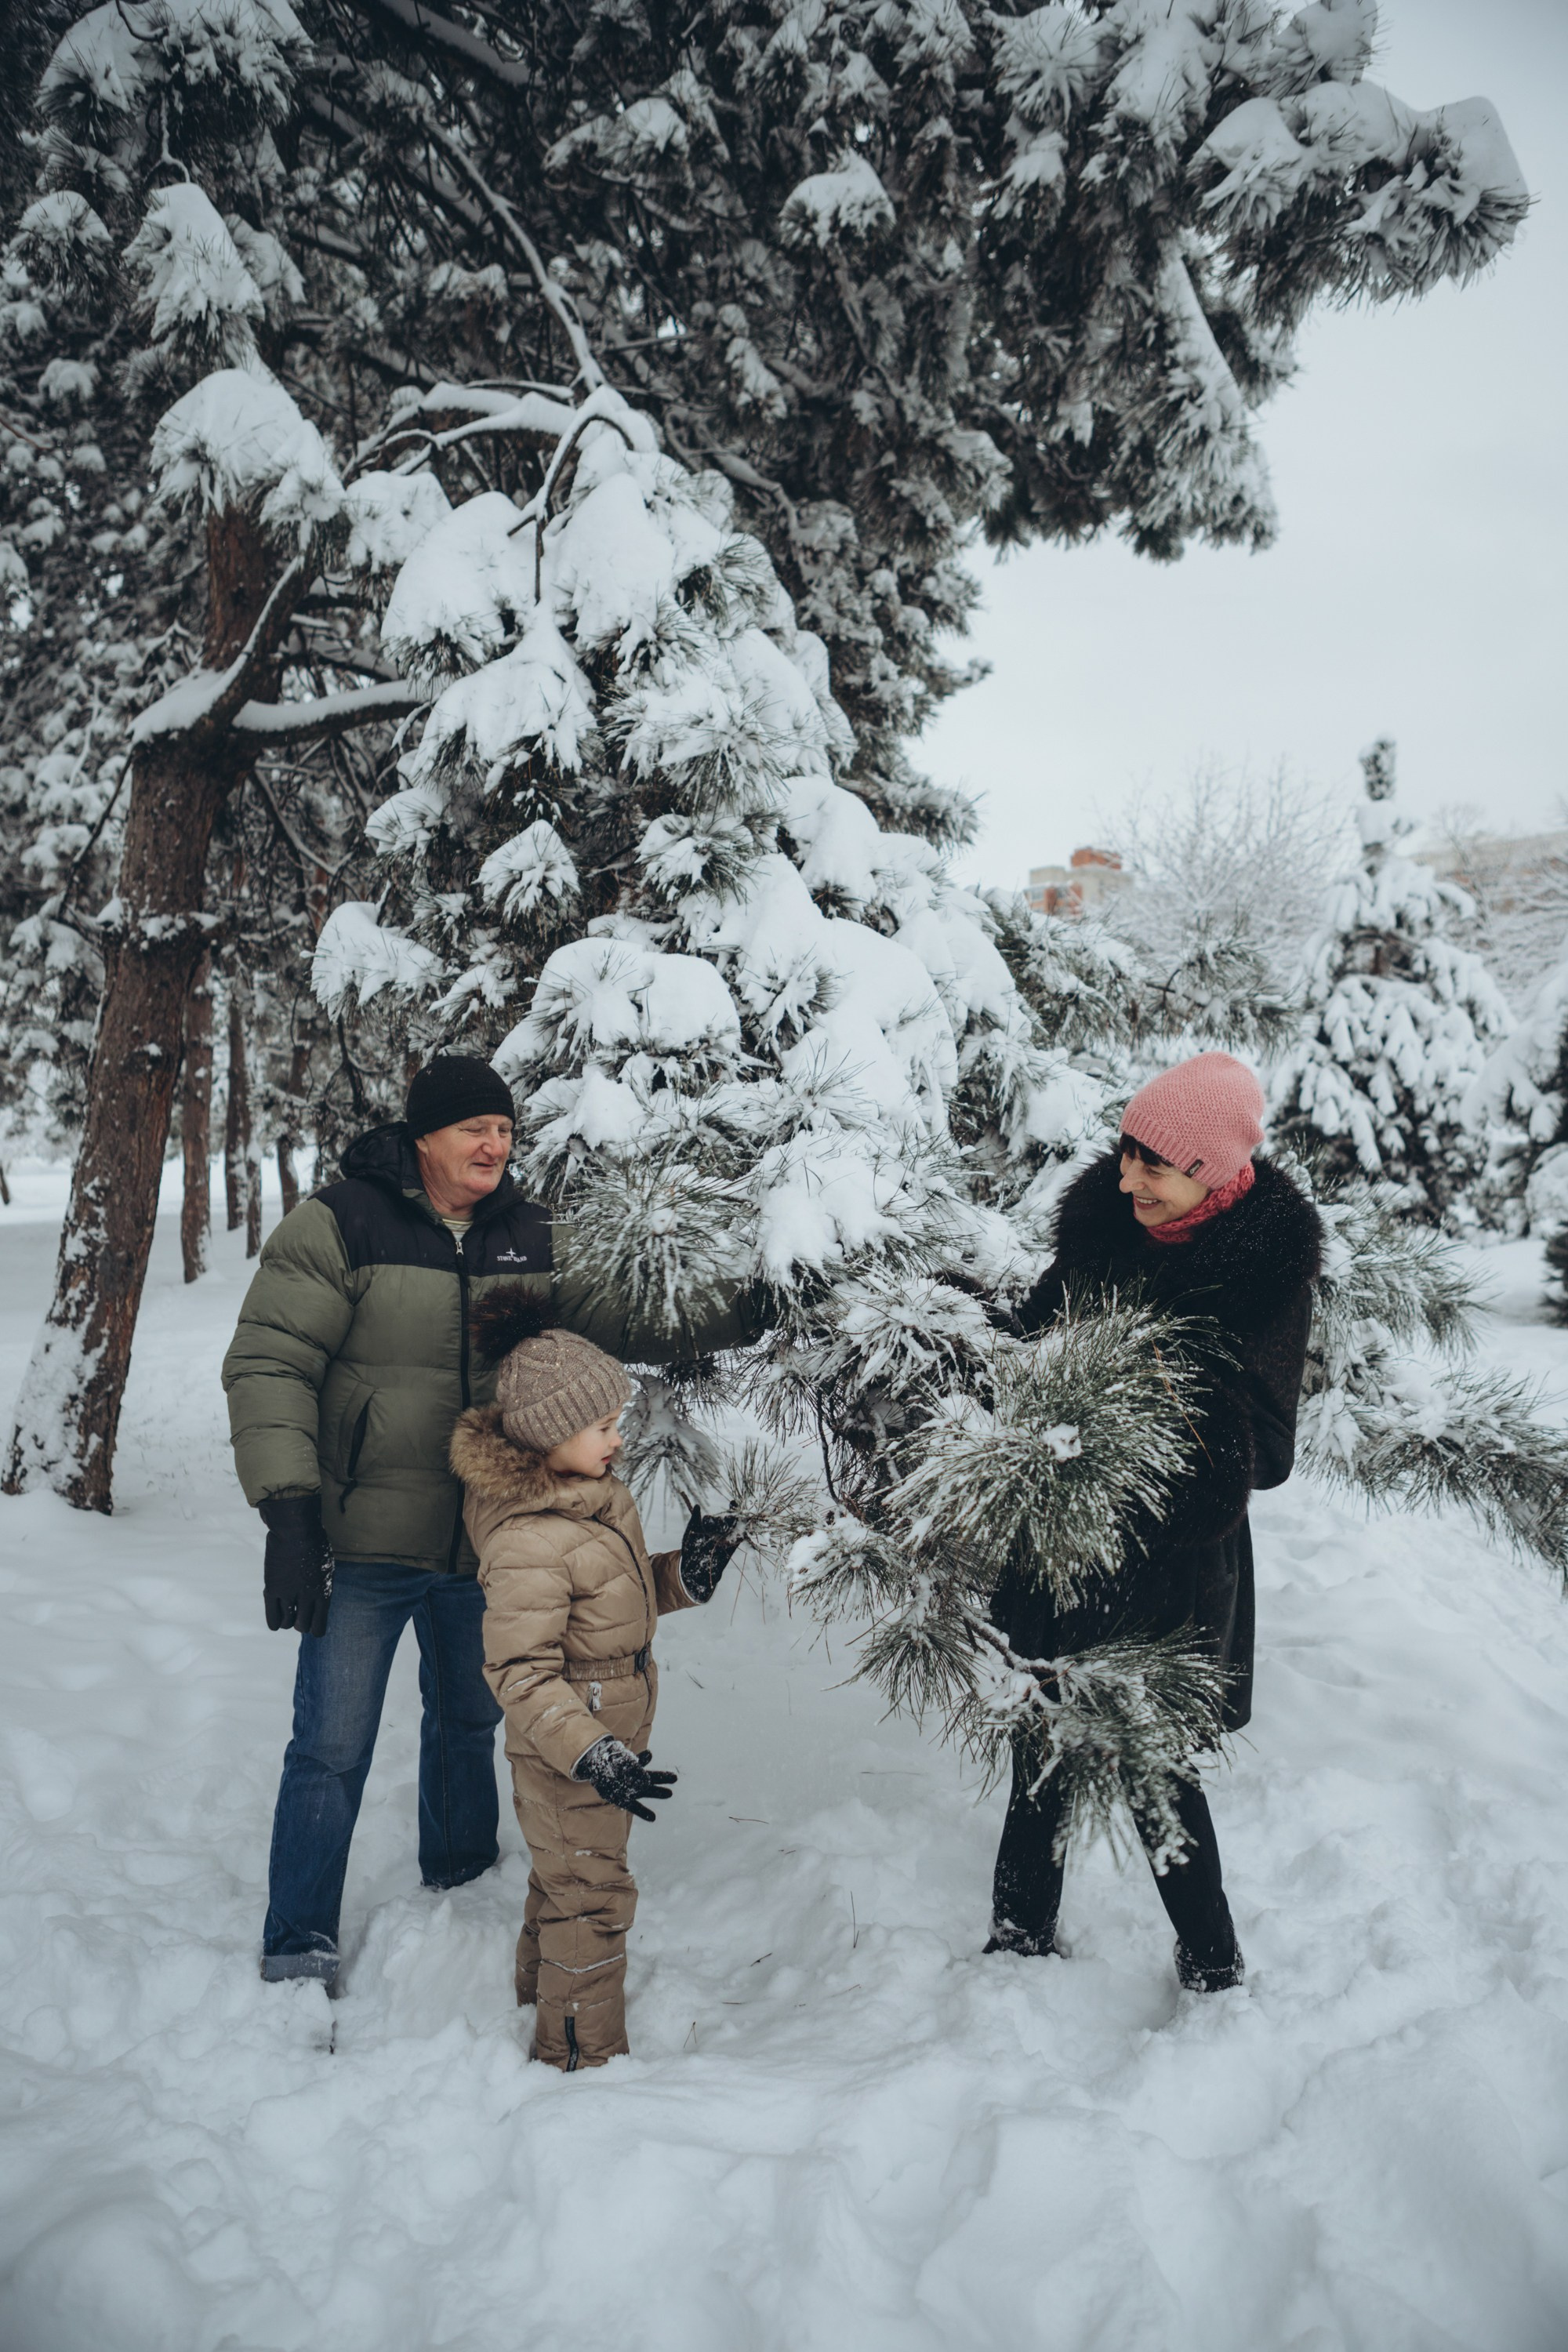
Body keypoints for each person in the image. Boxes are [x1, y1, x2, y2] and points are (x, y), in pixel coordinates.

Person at [222, 1054, 760, 1988]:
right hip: (361, 1539)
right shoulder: (341, 1223)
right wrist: (290, 1514)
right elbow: (270, 1363)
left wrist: (753, 1302)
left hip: (489, 1539)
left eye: (505, 1130)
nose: (494, 1144)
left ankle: (459, 1881)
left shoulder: (533, 1232)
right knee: (330, 1745)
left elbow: (629, 1315)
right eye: (475, 1128)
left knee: (468, 1719)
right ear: (422, 1136)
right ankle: (298, 1934)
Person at [988, 1051, 1322, 1991]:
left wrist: (1148, 1403)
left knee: (1153, 1769)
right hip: (1064, 1539)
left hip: (1170, 1563)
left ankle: (1211, 1963)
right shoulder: (1103, 1231)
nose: (1127, 1175)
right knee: (1040, 1740)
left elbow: (1266, 1444)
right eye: (1125, 1151)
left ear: (1211, 1171)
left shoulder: (1261, 1277)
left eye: (1154, 1163)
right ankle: (1015, 1941)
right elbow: (1031, 1341)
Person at [450, 1298, 742, 2069]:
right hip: (567, 1755)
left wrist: (686, 1575)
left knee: (561, 1883)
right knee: (592, 1898)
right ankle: (578, 2059)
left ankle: (536, 2005)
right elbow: (520, 1671)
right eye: (603, 1426)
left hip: (596, 1742)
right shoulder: (527, 1538)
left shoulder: (583, 1503)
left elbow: (609, 1600)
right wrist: (589, 1754)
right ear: (550, 1438)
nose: (619, 1437)